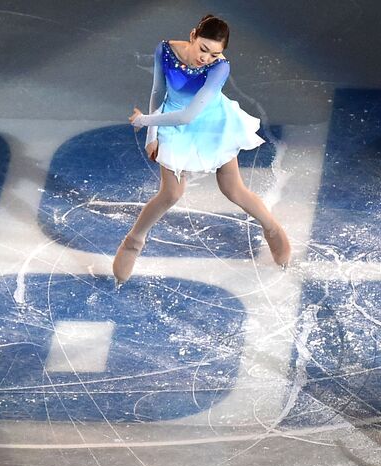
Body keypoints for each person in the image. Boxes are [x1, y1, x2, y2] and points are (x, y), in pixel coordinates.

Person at [114, 14, 291, 285]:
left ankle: (272, 228)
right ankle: (133, 242)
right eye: (203, 49)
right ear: (193, 35)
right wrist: (151, 135)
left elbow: (190, 116)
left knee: (233, 189)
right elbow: (158, 91)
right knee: (171, 193)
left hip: (209, 121)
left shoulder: (220, 68)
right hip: (170, 119)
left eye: (214, 53)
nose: (206, 58)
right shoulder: (164, 49)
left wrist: (144, 121)